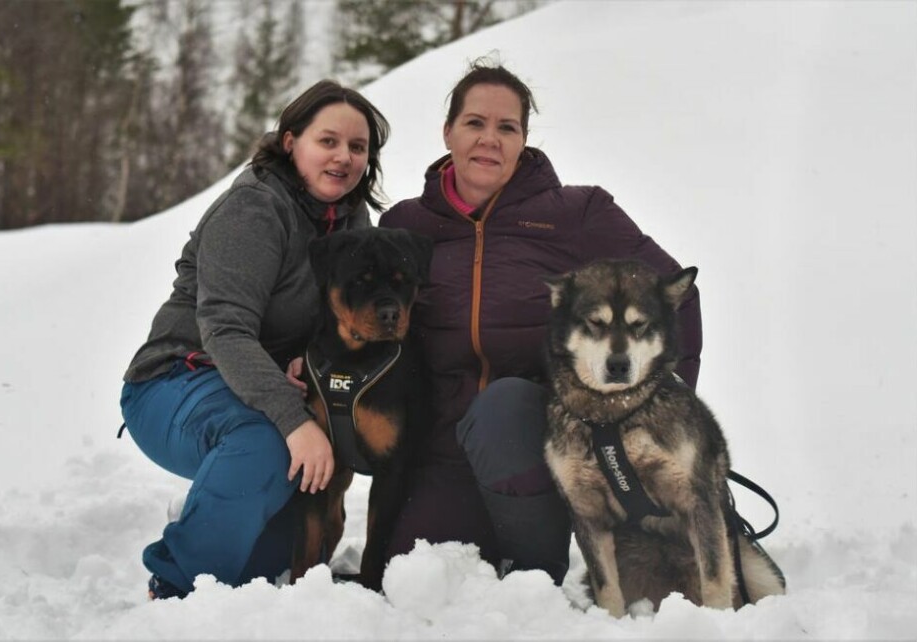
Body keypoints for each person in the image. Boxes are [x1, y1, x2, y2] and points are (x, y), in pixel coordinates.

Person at [377, 62, 702, 585]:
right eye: (475, 123)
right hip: (442, 450)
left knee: (502, 406)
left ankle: (535, 573)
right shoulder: (405, 225)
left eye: (507, 127)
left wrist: (665, 416)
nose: (490, 139)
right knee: (412, 583)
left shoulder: (577, 213)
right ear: (448, 132)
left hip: (545, 439)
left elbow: (673, 295)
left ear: (524, 140)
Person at [119, 80, 390, 600]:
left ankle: (217, 524)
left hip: (255, 385)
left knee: (280, 555)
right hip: (174, 382)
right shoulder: (255, 208)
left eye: (358, 147)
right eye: (328, 141)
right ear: (291, 142)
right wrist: (294, 420)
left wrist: (307, 359)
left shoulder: (351, 219)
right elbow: (225, 328)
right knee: (267, 442)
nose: (344, 156)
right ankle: (177, 588)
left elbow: (341, 318)